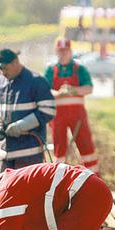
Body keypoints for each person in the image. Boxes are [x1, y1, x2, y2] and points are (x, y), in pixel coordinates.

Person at [0, 49, 55, 171]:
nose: (3, 73)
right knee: (4, 189)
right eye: (0, 70)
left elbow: (48, 111)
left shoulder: (36, 81)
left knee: (28, 190)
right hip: (5, 154)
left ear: (15, 63)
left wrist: (20, 126)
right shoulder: (0, 83)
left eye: (5, 68)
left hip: (29, 155)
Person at [44, 38, 99, 173]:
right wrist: (58, 93)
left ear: (70, 51)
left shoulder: (79, 69)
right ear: (56, 52)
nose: (63, 54)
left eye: (66, 51)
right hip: (58, 117)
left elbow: (89, 88)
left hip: (77, 116)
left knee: (86, 146)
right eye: (60, 51)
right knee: (59, 150)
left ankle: (93, 177)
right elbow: (45, 91)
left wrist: (75, 90)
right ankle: (59, 180)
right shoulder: (51, 70)